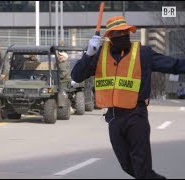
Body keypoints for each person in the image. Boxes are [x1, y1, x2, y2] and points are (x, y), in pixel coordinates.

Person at [71, 16, 185, 179]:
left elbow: (173, 64)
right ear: (110, 36)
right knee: (127, 165)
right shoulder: (99, 55)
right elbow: (76, 75)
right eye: (118, 34)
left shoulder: (143, 54)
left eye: (125, 33)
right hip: (114, 118)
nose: (123, 36)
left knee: (141, 168)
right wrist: (88, 54)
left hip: (136, 116)